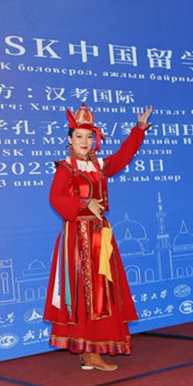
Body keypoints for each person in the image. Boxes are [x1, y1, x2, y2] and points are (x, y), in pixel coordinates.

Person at [44, 103, 153, 371]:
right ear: (70, 139)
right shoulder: (66, 167)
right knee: (84, 292)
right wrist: (84, 202)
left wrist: (138, 130)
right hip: (77, 237)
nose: (84, 141)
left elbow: (123, 156)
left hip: (99, 235)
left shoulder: (99, 165)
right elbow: (55, 198)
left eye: (89, 136)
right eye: (79, 136)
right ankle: (88, 351)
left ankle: (93, 348)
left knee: (103, 290)